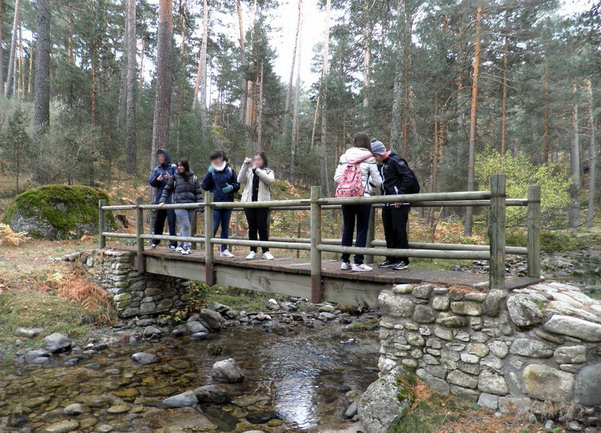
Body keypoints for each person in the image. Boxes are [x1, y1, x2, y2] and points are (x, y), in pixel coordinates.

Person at [334, 132, 382, 272]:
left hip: (347, 197)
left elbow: (337, 178)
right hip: (363, 196)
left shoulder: (345, 156)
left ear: (354, 142)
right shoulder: (369, 158)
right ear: (367, 144)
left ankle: (345, 261)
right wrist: (368, 185)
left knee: (347, 228)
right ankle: (359, 262)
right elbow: (378, 181)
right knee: (362, 229)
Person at [371, 138, 415, 270]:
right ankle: (391, 257)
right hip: (387, 202)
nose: (373, 158)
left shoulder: (395, 160)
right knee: (389, 230)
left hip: (399, 202)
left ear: (379, 153)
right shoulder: (381, 164)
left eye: (374, 155)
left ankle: (403, 259)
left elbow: (408, 177)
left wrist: (400, 196)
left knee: (399, 230)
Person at [158, 159, 202, 255]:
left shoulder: (194, 178)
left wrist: (200, 207)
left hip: (191, 205)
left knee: (186, 226)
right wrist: (162, 201)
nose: (180, 167)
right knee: (186, 225)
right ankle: (187, 247)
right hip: (179, 204)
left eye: (181, 165)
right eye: (178, 165)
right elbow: (166, 190)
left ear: (186, 166)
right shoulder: (174, 177)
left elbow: (198, 192)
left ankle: (179, 246)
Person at [201, 150, 240, 258]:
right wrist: (209, 173)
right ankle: (208, 248)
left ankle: (224, 249)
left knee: (225, 227)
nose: (216, 160)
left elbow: (237, 185)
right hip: (215, 204)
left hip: (227, 203)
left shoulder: (230, 171)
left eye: (217, 158)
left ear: (222, 158)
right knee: (214, 226)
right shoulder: (212, 172)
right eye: (214, 159)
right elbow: (204, 186)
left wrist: (232, 187)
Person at [238, 152, 276, 260]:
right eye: (255, 159)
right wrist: (244, 165)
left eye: (259, 159)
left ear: (264, 161)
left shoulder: (268, 171)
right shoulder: (249, 171)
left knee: (262, 227)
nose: (256, 161)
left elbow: (269, 181)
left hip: (262, 203)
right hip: (249, 203)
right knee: (252, 227)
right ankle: (252, 250)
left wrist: (257, 170)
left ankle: (266, 251)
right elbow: (240, 180)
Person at [149, 149, 178, 249]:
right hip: (160, 199)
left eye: (162, 156)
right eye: (159, 157)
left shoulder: (173, 167)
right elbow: (152, 182)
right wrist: (157, 180)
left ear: (166, 157)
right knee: (158, 222)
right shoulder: (158, 169)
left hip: (172, 199)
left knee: (172, 222)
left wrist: (171, 179)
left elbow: (179, 181)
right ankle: (155, 242)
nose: (160, 158)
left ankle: (173, 243)